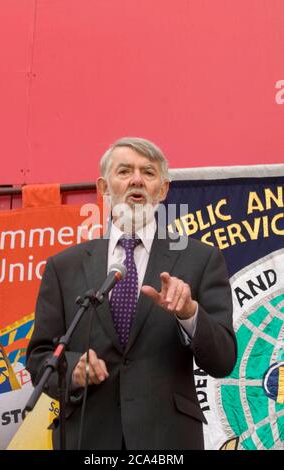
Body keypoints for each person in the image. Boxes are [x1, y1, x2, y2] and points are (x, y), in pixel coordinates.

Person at [26, 137, 237, 450]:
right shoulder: (64, 267)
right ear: (104, 187)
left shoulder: (200, 259)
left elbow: (223, 361)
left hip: (168, 441)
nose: (137, 179)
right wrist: (74, 370)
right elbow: (40, 357)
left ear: (162, 190)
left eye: (148, 173)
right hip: (88, 437)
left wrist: (190, 314)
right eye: (124, 171)